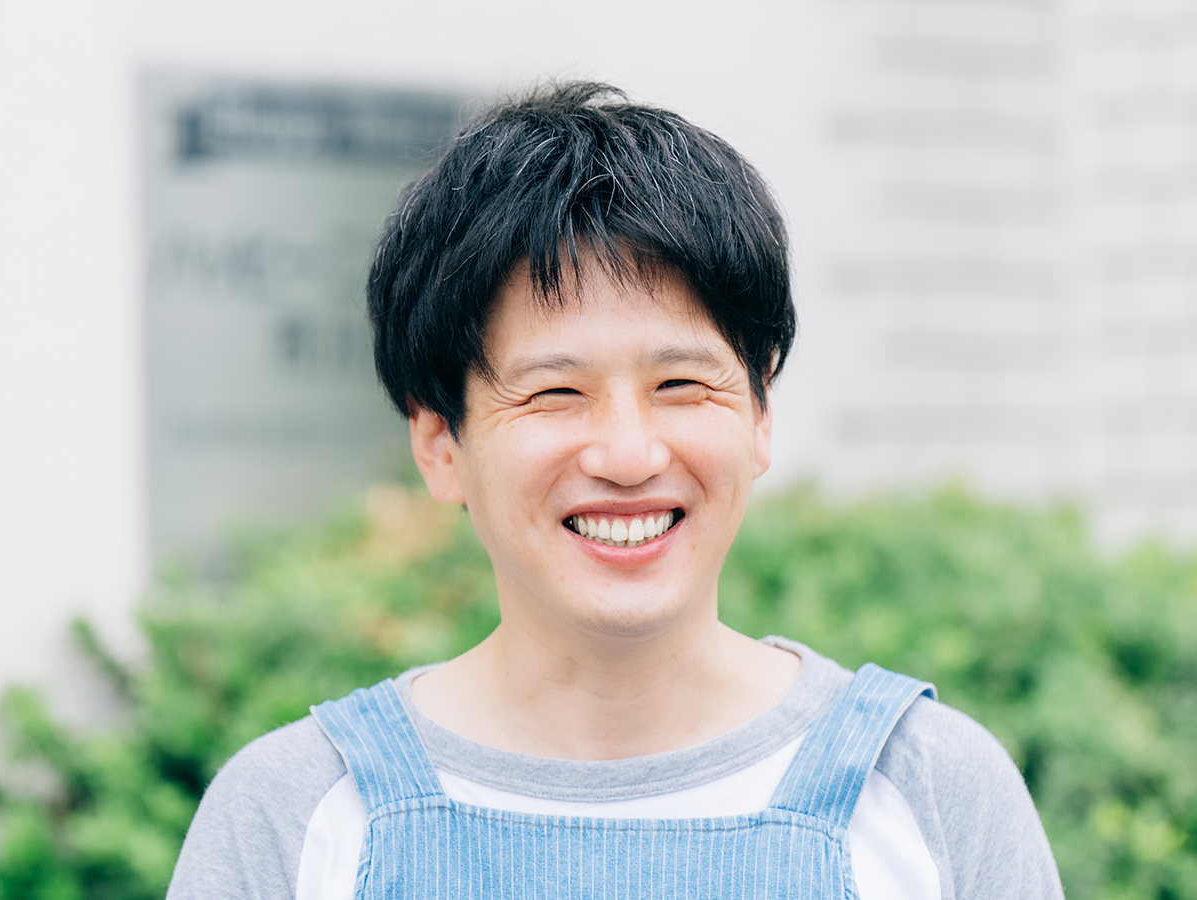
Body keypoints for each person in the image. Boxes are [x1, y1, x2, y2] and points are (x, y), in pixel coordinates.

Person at [167, 82, 1063, 900]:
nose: (629, 455)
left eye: (682, 384)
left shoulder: (928, 789)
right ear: (439, 441)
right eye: (556, 392)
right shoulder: (296, 814)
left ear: (759, 411)